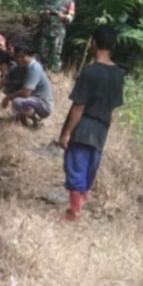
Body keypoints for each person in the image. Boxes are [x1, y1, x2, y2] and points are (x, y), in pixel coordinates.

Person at [58, 26, 125, 221]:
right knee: (89, 167)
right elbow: (113, 105)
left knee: (75, 165)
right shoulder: (119, 74)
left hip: (84, 125)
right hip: (102, 127)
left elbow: (78, 106)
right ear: (113, 45)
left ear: (93, 43)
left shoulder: (89, 72)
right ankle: (81, 201)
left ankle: (74, 211)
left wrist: (67, 132)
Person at [0, 41, 54, 129]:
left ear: (30, 56)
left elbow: (26, 93)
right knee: (9, 88)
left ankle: (36, 120)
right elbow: (1, 83)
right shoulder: (17, 68)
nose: (19, 59)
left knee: (17, 101)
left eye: (22, 56)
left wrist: (7, 98)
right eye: (17, 56)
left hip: (43, 105)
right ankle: (24, 126)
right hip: (31, 99)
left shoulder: (34, 68)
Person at [38, 0, 76, 73]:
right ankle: (43, 71)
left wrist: (63, 16)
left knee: (55, 53)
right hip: (46, 29)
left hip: (58, 31)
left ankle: (53, 72)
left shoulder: (69, 2)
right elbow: (40, 11)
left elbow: (71, 17)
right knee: (42, 52)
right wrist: (45, 13)